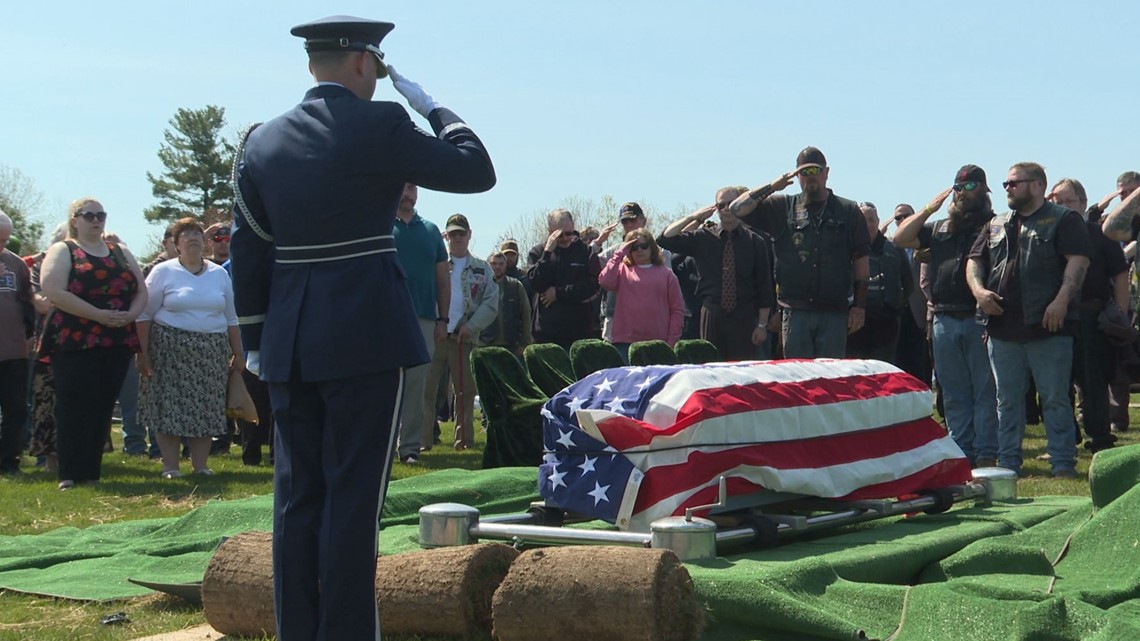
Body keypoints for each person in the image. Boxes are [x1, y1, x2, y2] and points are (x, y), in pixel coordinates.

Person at [228, 15, 495, 641]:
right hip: (365, 334)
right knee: (354, 500)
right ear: (363, 63)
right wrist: (435, 108)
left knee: (296, 501)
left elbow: (250, 250)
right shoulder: (382, 124)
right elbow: (475, 169)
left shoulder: (260, 141)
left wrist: (260, 341)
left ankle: (299, 630)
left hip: (290, 338)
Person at [966, 162, 1091, 478]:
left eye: (1014, 183)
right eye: (1006, 184)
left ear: (1037, 185)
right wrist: (980, 293)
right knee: (1006, 401)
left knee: (1054, 399)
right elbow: (974, 262)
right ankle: (1008, 463)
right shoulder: (996, 223)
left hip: (1047, 326)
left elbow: (1077, 262)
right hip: (1003, 328)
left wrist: (1061, 301)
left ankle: (1062, 463)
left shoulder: (1064, 219)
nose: (1007, 188)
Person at [38, 198, 146, 490]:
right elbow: (53, 290)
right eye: (89, 215)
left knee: (101, 403)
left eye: (101, 215)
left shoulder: (119, 251)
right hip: (74, 338)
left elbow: (140, 290)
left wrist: (129, 316)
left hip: (116, 336)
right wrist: (98, 315)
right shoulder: (64, 250)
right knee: (74, 404)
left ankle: (91, 472)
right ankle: (69, 473)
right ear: (75, 219)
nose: (96, 220)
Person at [894, 165, 998, 467]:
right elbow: (901, 238)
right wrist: (928, 208)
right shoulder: (940, 227)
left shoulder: (994, 225)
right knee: (952, 393)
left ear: (984, 190)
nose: (964, 193)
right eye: (960, 188)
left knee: (984, 391)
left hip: (978, 317)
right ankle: (960, 451)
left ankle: (987, 451)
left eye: (971, 187)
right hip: (942, 318)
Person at [730, 147, 871, 358]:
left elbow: (861, 264)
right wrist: (772, 186)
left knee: (830, 381)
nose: (810, 177)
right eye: (804, 172)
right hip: (796, 312)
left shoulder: (849, 211)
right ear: (797, 176)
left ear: (826, 172)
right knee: (799, 381)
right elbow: (736, 209)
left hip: (834, 312)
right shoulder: (782, 206)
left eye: (815, 170)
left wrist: (859, 307)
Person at [136, 218, 243, 478]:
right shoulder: (163, 271)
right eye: (185, 234)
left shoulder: (219, 274)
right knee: (168, 407)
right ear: (175, 244)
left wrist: (238, 353)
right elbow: (144, 315)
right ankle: (170, 466)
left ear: (205, 241)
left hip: (211, 351)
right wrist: (143, 352)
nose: (193, 237)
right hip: (169, 350)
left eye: (197, 233)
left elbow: (231, 317)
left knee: (205, 408)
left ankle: (200, 465)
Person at [1049, 178, 1127, 454]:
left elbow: (1120, 274)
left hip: (1091, 315)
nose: (1063, 207)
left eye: (1069, 201)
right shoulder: (1049, 234)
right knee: (1057, 383)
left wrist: (1120, 313)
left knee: (1093, 380)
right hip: (1055, 316)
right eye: (1057, 202)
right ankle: (1066, 438)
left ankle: (1100, 438)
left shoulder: (1099, 233)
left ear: (1083, 203)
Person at [658, 186, 773, 360]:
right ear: (715, 208)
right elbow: (665, 238)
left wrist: (762, 325)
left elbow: (764, 285)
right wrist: (694, 217)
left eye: (731, 204)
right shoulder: (703, 237)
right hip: (712, 311)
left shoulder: (755, 241)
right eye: (721, 205)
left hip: (744, 314)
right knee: (712, 368)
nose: (726, 209)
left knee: (741, 372)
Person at [423, 214, 498, 450]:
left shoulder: (481, 267)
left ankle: (464, 441)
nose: (457, 238)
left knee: (465, 393)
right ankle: (421, 441)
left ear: (469, 235)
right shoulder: (435, 263)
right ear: (446, 236)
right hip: (436, 334)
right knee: (426, 390)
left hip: (463, 337)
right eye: (452, 233)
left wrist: (472, 326)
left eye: (461, 233)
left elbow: (491, 302)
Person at [393, 182, 449, 463]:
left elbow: (442, 279)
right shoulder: (379, 226)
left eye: (413, 188)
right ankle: (381, 446)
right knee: (384, 385)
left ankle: (409, 449)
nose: (408, 194)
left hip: (424, 319)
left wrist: (443, 319)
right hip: (385, 318)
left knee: (416, 386)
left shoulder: (431, 231)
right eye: (403, 187)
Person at [598, 228, 685, 362]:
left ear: (652, 248)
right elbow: (605, 281)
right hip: (624, 343)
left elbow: (677, 310)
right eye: (634, 247)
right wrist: (619, 254)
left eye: (644, 246)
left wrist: (671, 341)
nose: (639, 250)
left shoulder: (667, 275)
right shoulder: (621, 270)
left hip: (658, 343)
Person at [846, 202, 912, 363]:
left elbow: (908, 283)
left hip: (886, 323)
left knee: (884, 373)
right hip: (853, 324)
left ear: (878, 221)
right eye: (863, 220)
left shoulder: (895, 249)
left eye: (871, 219)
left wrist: (896, 305)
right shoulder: (846, 249)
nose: (868, 224)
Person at [527, 209, 601, 350]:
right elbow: (536, 283)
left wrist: (559, 293)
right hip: (546, 333)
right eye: (560, 235)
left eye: (570, 233)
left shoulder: (585, 252)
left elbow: (592, 285)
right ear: (550, 231)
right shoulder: (538, 252)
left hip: (579, 332)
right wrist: (547, 254)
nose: (566, 238)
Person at [0, 212, 33, 474]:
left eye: (5, 241)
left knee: (16, 409)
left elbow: (27, 302)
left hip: (14, 350)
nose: (2, 247)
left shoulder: (17, 264)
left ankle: (9, 460)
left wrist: (30, 335)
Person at [482, 251, 533, 356]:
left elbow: (526, 315)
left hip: (512, 346)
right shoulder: (481, 286)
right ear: (488, 265)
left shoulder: (516, 286)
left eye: (501, 264)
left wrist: (525, 343)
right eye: (494, 264)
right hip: (485, 345)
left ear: (505, 265)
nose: (497, 267)